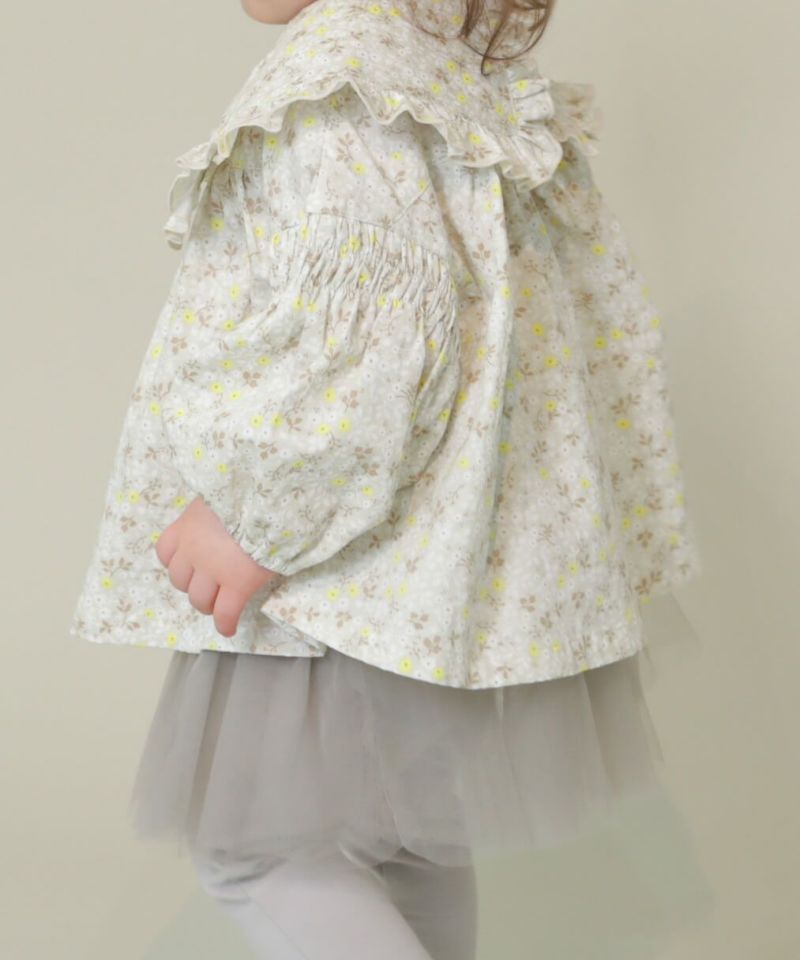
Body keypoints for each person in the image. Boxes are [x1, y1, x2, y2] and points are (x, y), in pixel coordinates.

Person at [69, 0, 712, 955]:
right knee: (406, 843)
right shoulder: (439, 64)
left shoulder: (342, 73)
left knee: (260, 857)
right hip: (430, 573)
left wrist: (257, 520)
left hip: (343, 578)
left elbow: (375, 338)